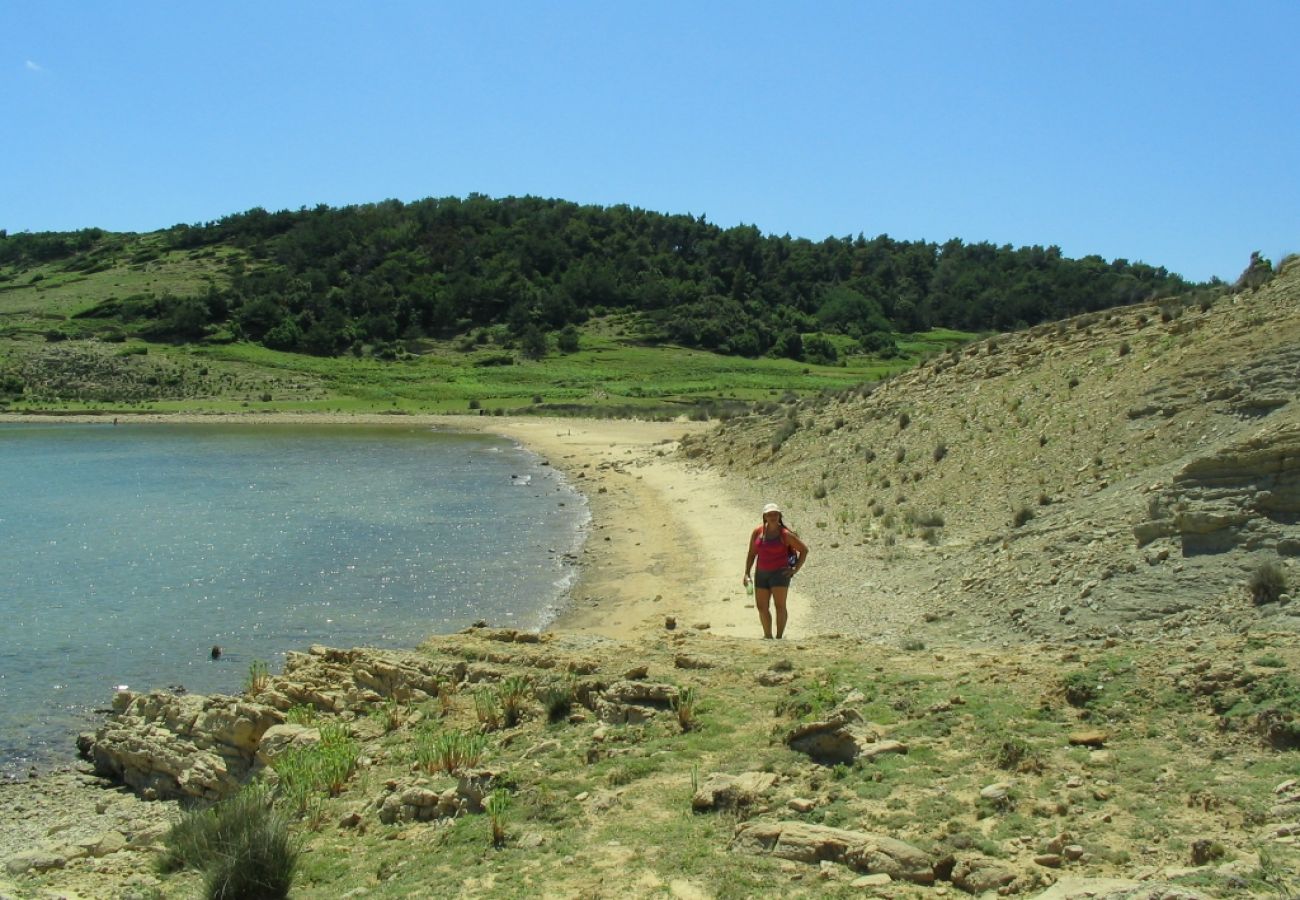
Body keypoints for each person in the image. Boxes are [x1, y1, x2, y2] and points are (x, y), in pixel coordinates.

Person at [742, 502, 809, 639]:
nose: (772, 517)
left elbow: (804, 550)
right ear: (764, 516)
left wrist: (795, 570)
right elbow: (751, 553)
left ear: (779, 516)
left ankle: (779, 637)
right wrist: (747, 573)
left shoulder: (785, 534)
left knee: (780, 606)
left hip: (780, 574)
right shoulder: (758, 532)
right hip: (761, 573)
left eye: (775, 514)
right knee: (762, 607)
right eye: (769, 514)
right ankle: (768, 636)